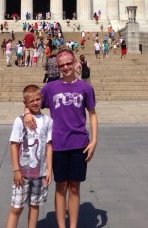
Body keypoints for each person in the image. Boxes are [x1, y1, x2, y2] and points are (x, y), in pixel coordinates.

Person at [24, 49, 98, 228]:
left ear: (74, 63)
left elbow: (92, 114)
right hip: (58, 143)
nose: (65, 67)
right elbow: (33, 102)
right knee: (60, 186)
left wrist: (94, 140)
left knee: (75, 187)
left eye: (68, 63)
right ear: (58, 67)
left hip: (79, 143)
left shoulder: (85, 88)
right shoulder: (50, 87)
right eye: (62, 65)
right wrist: (27, 114)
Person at [6, 85, 53, 228]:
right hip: (23, 173)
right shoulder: (20, 120)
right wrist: (16, 170)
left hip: (40, 172)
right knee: (16, 207)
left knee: (35, 205)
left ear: (42, 99)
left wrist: (49, 169)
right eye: (31, 101)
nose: (35, 103)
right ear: (25, 103)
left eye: (38, 99)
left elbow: (49, 145)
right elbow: (14, 145)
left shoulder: (48, 121)